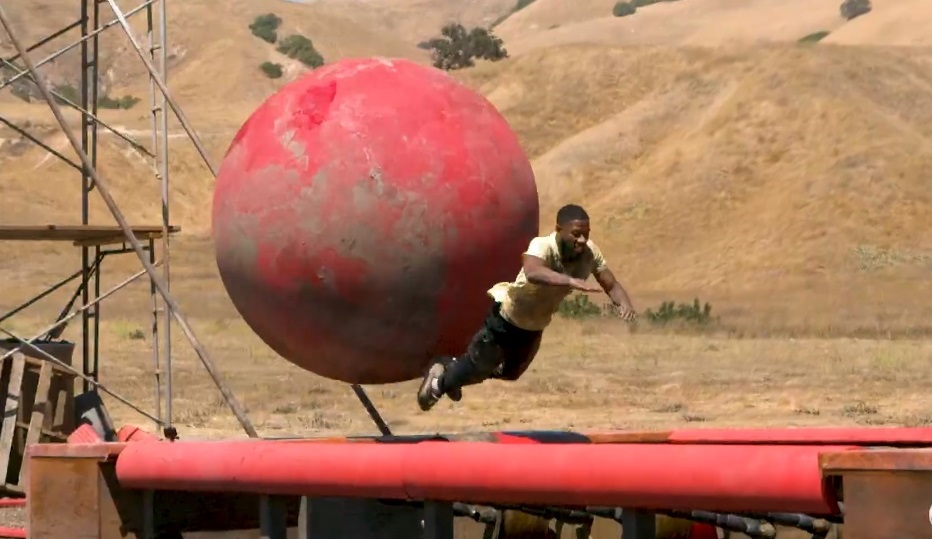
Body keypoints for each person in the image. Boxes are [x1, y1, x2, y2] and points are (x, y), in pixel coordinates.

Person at [417, 203, 637, 411]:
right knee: (479, 366)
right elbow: (533, 271)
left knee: (510, 373)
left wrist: (624, 303)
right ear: (559, 230)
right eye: (576, 234)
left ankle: (458, 370)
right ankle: (440, 378)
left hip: (534, 326)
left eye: (586, 233)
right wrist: (569, 280)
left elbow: (611, 283)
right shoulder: (543, 245)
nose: (582, 240)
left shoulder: (590, 253)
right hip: (506, 319)